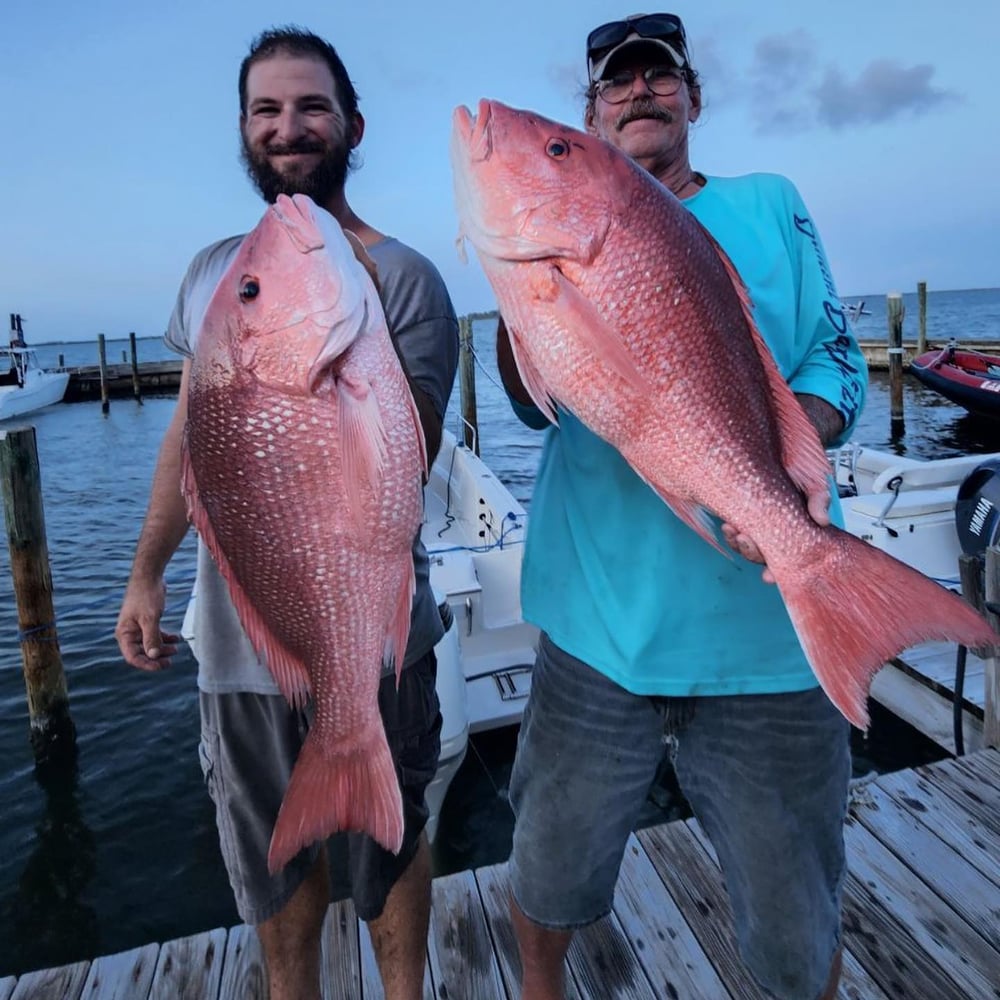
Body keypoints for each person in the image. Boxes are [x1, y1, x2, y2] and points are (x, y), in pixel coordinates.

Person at [496, 13, 868, 1000]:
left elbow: (835, 358)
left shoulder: (769, 202)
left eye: (659, 77)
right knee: (547, 866)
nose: (639, 93)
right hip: (596, 631)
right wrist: (523, 287)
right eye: (614, 86)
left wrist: (793, 458)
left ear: (694, 98)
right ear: (591, 112)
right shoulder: (545, 237)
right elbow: (531, 399)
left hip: (767, 641)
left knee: (795, 916)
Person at [115, 27, 459, 1000]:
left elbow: (407, 463)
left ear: (351, 123)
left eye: (310, 106)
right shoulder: (216, 272)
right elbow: (192, 438)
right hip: (236, 641)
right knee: (270, 870)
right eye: (266, 109)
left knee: (390, 851)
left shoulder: (405, 278)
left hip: (375, 637)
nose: (288, 126)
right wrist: (145, 573)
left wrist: (328, 381)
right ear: (242, 129)